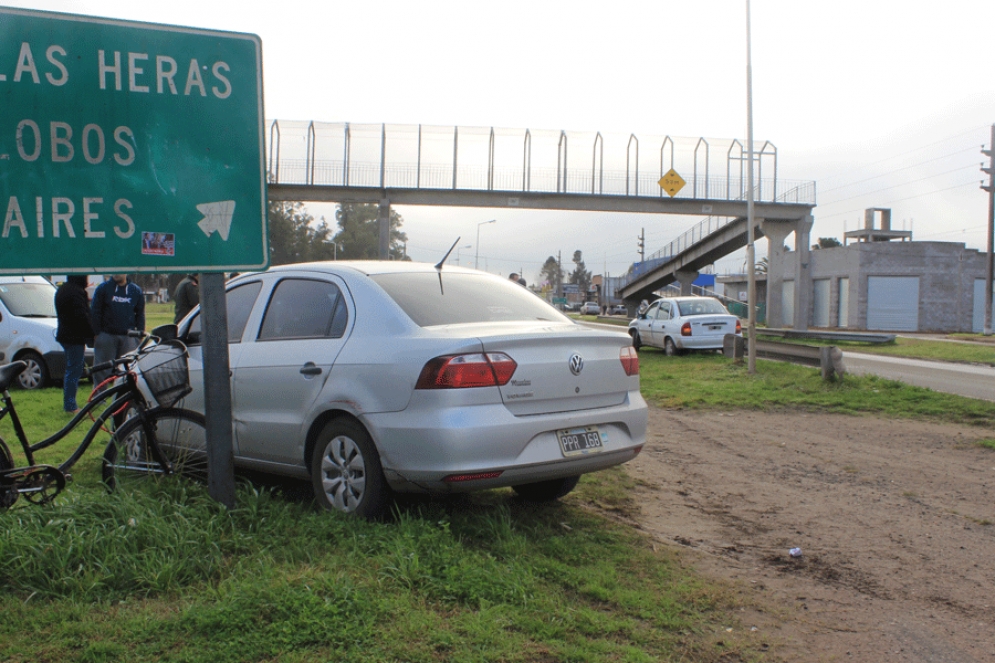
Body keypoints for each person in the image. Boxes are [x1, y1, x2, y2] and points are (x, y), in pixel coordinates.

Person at [91, 274, 145, 388]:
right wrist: (96, 334)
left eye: (119, 271)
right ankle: (99, 398)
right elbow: (95, 312)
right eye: (114, 271)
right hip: (107, 335)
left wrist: (139, 334)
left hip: (128, 337)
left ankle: (126, 397)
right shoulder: (103, 289)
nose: (116, 274)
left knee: (129, 370)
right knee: (102, 370)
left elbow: (140, 314)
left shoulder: (135, 290)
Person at [55, 276, 95, 413]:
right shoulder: (77, 292)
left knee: (72, 369)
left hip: (65, 334)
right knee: (74, 370)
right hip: (74, 337)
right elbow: (82, 315)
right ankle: (70, 405)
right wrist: (92, 333)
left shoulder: (62, 290)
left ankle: (70, 402)